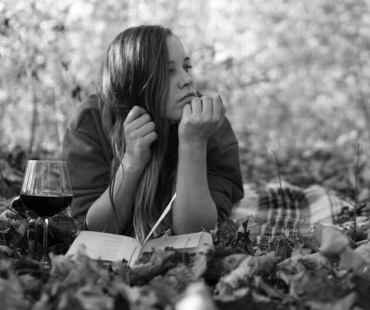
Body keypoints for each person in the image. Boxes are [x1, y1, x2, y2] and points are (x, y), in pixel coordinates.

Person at [61, 25, 244, 242]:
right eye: (169, 71)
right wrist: (131, 162)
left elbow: (197, 233)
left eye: (187, 67)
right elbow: (94, 231)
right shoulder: (90, 122)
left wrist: (193, 143)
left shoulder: (209, 125)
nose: (187, 80)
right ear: (134, 80)